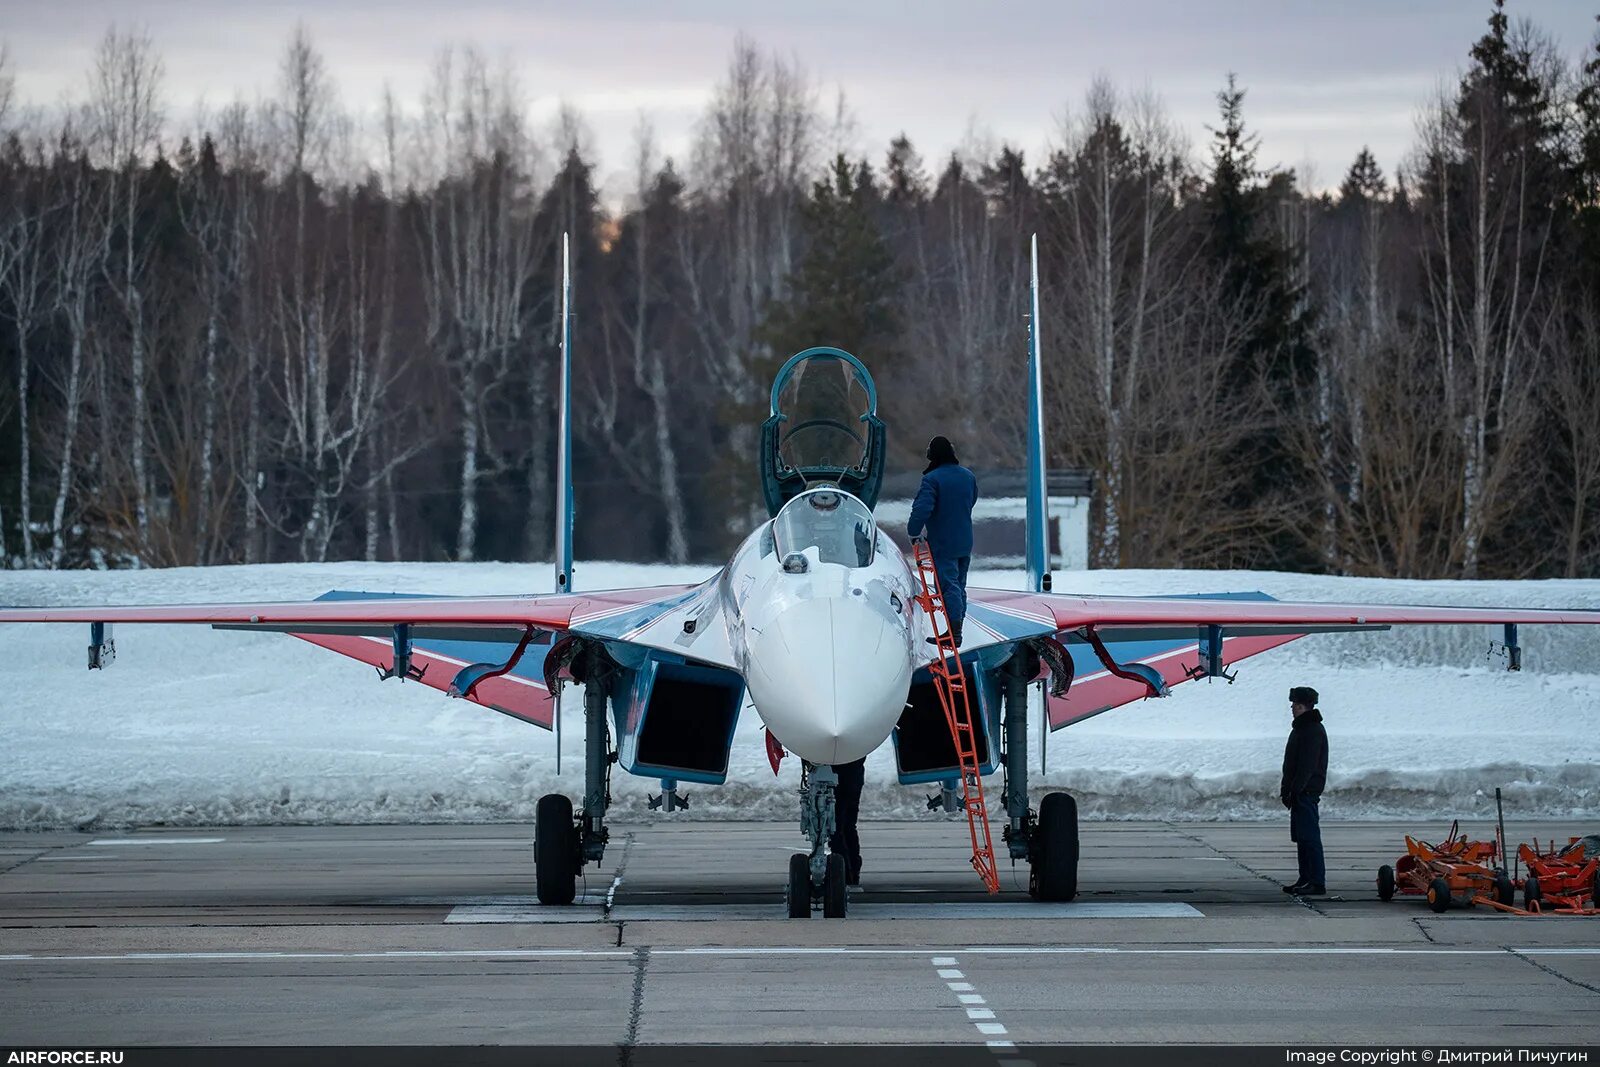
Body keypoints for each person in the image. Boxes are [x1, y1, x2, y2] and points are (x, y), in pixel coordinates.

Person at [906, 435, 978, 647]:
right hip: (965, 540)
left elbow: (922, 509)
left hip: (943, 543)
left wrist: (913, 531)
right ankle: (957, 629)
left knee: (948, 586)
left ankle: (953, 635)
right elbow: (972, 500)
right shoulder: (968, 476)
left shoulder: (932, 479)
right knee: (959, 585)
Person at [1280, 685, 1329, 896]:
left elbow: (1307, 766)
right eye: (1293, 705)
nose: (1293, 708)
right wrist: (1287, 789)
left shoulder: (1312, 730)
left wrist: (1295, 790)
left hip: (1306, 792)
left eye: (1297, 705)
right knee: (1302, 838)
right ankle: (1305, 877)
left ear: (1306, 707)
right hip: (1299, 792)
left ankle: (1316, 881)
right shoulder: (1302, 728)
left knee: (1309, 838)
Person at [828, 757, 866, 885]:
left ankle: (844, 874)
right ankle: (851, 873)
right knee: (847, 826)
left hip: (837, 772)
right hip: (853, 771)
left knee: (836, 826)